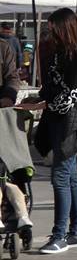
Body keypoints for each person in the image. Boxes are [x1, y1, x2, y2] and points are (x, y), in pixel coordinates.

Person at [22, 7, 77, 254]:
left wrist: (42, 104)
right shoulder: (58, 52)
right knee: (70, 176)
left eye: (53, 29)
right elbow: (51, 87)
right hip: (59, 117)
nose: (49, 34)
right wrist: (37, 99)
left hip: (72, 118)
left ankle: (60, 235)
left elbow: (70, 94)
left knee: (60, 176)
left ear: (64, 28)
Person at [0, 85, 34, 251]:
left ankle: (19, 217)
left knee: (6, 186)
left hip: (8, 171)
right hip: (13, 173)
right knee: (12, 187)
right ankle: (23, 217)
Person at [0, 22, 24, 86]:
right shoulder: (15, 40)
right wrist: (19, 66)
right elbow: (19, 54)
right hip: (12, 67)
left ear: (1, 28)